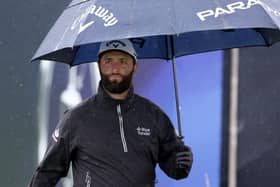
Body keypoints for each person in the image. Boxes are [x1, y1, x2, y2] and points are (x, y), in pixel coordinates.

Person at [29, 39, 193, 187]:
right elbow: (46, 174)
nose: (115, 68)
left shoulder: (154, 116)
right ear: (99, 65)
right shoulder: (76, 118)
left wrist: (182, 162)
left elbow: (176, 171)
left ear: (134, 67)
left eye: (123, 61)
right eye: (108, 61)